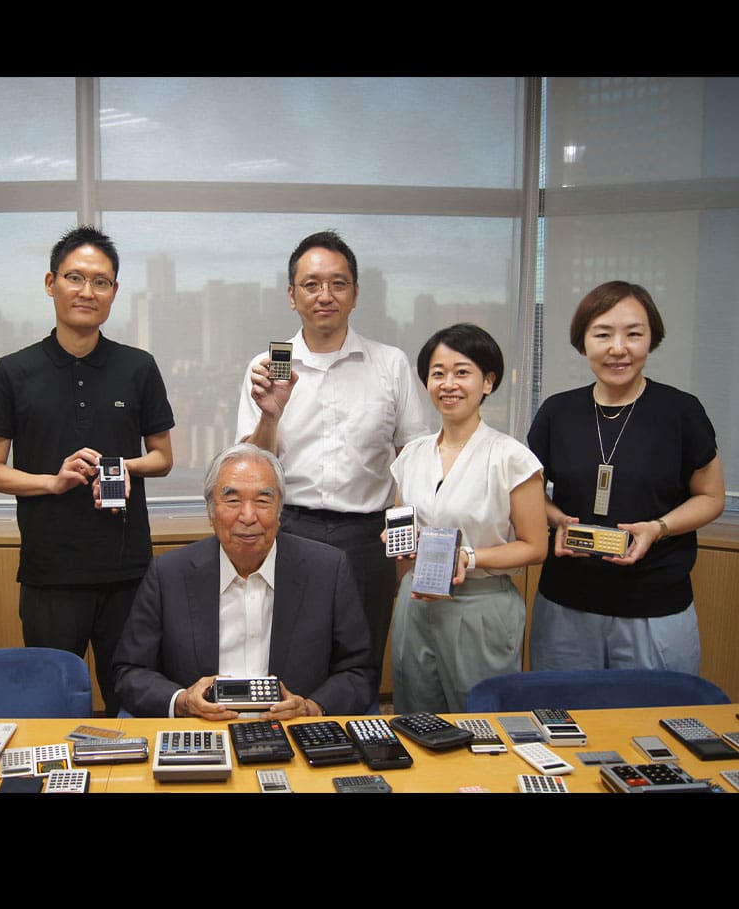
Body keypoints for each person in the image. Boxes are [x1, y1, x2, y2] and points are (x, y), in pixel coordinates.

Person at [0, 225, 174, 716]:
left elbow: (162, 458)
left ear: (114, 292)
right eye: (75, 278)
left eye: (100, 282)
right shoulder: (13, 371)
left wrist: (120, 466)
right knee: (52, 704)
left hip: (127, 571)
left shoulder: (138, 367)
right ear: (51, 283)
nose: (87, 291)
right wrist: (53, 481)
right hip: (49, 572)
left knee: (133, 701)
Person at [235, 230, 430, 672]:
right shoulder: (267, 367)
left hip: (368, 537)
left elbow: (413, 458)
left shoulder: (390, 363)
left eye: (338, 284)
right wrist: (270, 415)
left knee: (361, 659)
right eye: (311, 284)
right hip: (290, 529)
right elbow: (253, 469)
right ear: (292, 295)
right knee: (290, 658)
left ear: (355, 293)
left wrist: (406, 536)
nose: (325, 295)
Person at [527, 281, 725, 673]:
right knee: (563, 708)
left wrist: (658, 528)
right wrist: (558, 519)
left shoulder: (682, 412)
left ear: (651, 340)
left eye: (633, 334)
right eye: (603, 335)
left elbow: (711, 496)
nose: (618, 348)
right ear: (583, 342)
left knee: (657, 710)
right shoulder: (557, 412)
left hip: (656, 606)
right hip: (566, 604)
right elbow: (529, 492)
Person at [113, 443, 377, 719]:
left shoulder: (327, 571)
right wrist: (183, 701)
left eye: (263, 501)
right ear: (211, 511)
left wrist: (310, 708)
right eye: (232, 501)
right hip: (204, 728)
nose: (248, 516)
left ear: (279, 511)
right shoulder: (169, 574)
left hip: (291, 729)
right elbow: (130, 671)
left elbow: (359, 672)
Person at [388, 324, 548, 713]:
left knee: (480, 721)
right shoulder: (411, 455)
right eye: (437, 373)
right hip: (416, 602)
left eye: (462, 372)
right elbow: (400, 523)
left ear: (488, 382)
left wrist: (470, 557)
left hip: (480, 606)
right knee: (415, 718)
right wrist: (397, 541)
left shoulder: (511, 458)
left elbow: (535, 546)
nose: (448, 384)